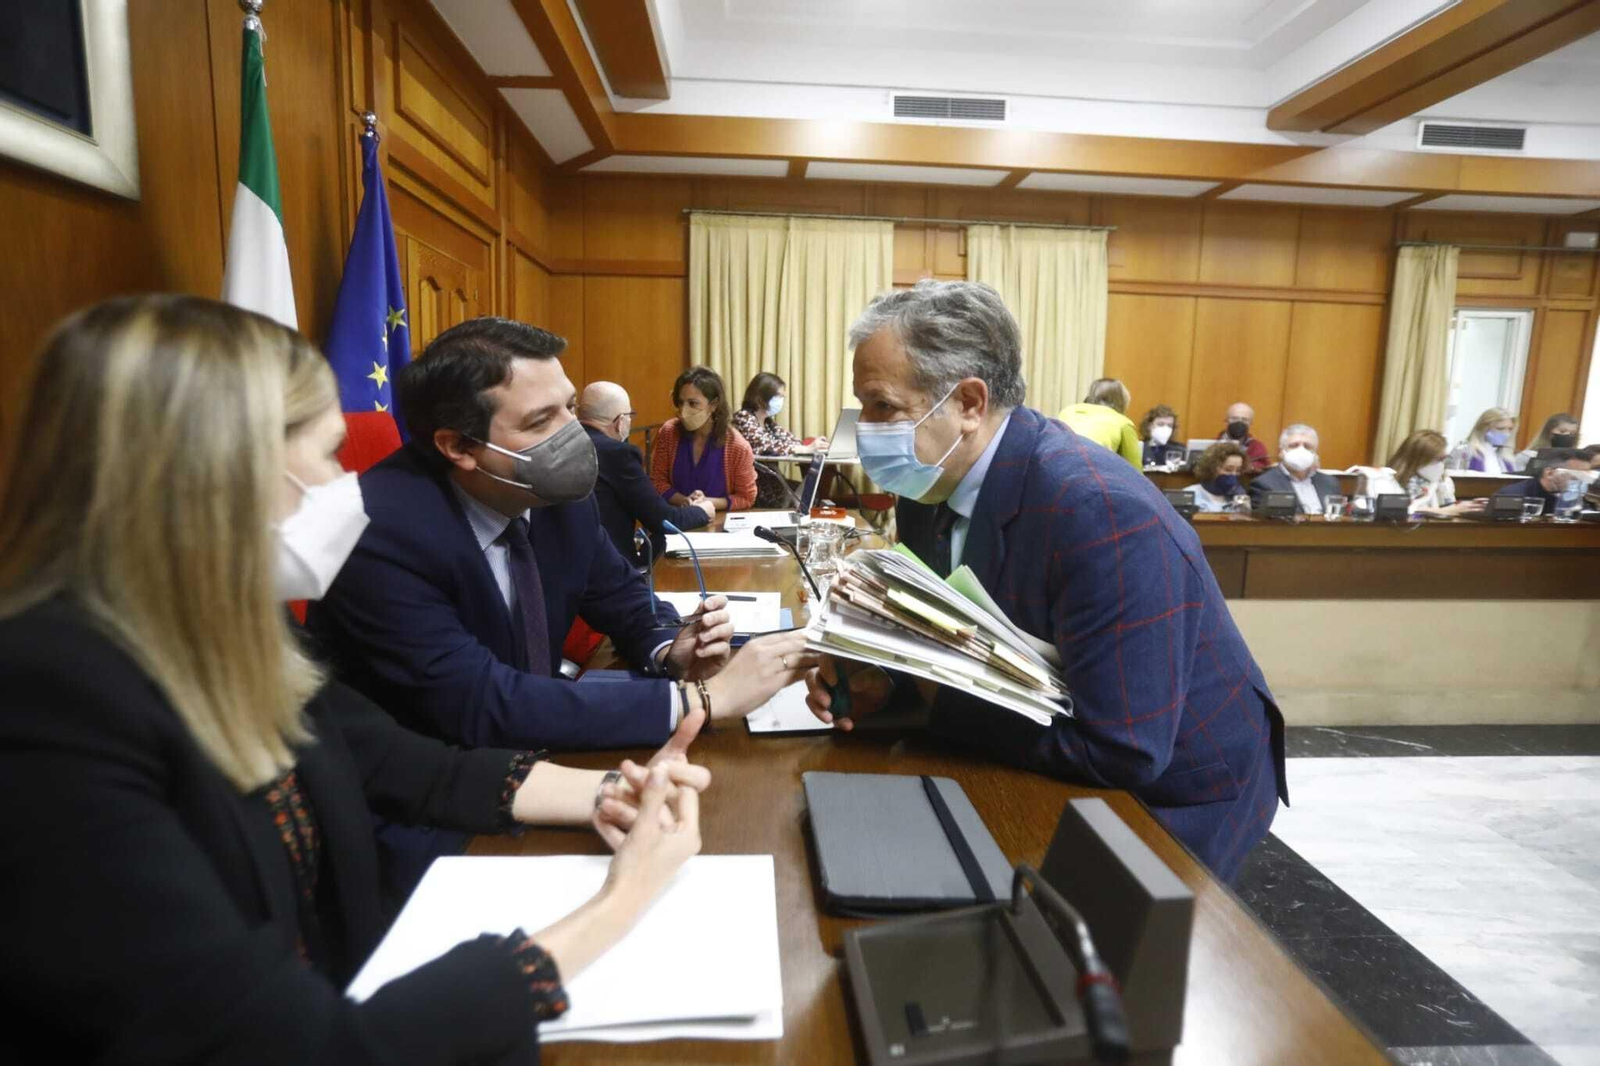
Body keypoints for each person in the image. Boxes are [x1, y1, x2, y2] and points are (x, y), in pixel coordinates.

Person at [0, 295, 711, 1064]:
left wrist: (609, 795)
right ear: (213, 474)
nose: (349, 483)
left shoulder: (226, 631)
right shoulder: (48, 703)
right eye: (332, 454)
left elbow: (396, 761)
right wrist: (621, 904)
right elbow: (307, 1048)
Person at [804, 280, 1286, 883]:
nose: (863, 430)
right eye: (861, 406)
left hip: (1177, 787)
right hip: (1051, 736)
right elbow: (951, 633)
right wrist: (889, 680)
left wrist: (932, 701)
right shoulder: (928, 486)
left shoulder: (1099, 511)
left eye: (883, 407)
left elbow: (1125, 749)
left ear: (970, 404)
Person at [309, 318, 813, 754]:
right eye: (541, 420)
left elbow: (622, 597)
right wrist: (703, 700)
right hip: (432, 794)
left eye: (570, 407)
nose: (573, 433)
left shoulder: (558, 497)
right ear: (459, 445)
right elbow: (480, 701)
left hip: (534, 754)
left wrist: (671, 648)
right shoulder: (376, 534)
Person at [579, 380, 714, 567]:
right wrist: (703, 511)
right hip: (610, 571)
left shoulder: (566, 445)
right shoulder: (618, 454)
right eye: (629, 415)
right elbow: (663, 520)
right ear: (620, 421)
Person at [650, 366, 758, 512]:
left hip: (717, 524)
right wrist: (684, 500)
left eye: (693, 403)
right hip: (675, 518)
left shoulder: (737, 446)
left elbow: (746, 497)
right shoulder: (669, 432)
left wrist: (708, 502)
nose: (683, 411)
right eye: (681, 403)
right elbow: (657, 482)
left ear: (713, 405)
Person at [732, 372, 826, 509]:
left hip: (772, 481)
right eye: (777, 396)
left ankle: (799, 525)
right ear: (759, 397)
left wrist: (815, 445)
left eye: (782, 397)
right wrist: (805, 449)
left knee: (811, 494)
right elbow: (764, 446)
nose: (781, 401)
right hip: (753, 484)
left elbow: (791, 441)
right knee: (801, 497)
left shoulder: (769, 424)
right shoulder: (743, 417)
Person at [1354, 429, 1485, 517]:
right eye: (1438, 459)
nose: (1441, 465)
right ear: (1418, 459)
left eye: (1444, 459)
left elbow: (1449, 506)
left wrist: (1465, 507)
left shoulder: (1443, 482)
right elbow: (1395, 511)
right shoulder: (1385, 479)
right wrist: (1444, 511)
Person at [1248, 424, 1340, 515]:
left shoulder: (1330, 483)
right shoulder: (1264, 484)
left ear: (1315, 453)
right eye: (1294, 446)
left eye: (1307, 446)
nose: (1301, 450)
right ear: (1281, 452)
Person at [1056, 378, 1141, 467]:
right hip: (1091, 469)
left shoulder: (1067, 411)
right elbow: (1135, 468)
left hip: (1055, 465)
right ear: (1122, 401)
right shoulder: (1123, 422)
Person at [1493, 448, 1592, 511]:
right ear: (1549, 473)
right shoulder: (1511, 496)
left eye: (1586, 475)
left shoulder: (1581, 499)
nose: (1582, 480)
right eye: (1576, 475)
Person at [1447, 407, 1518, 473]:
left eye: (1510, 429)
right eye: (1500, 429)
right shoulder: (1463, 450)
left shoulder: (1506, 456)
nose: (1506, 434)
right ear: (1484, 428)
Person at [1184, 441, 1248, 512]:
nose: (1233, 474)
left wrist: (1242, 502)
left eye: (1238, 470)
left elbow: (1244, 521)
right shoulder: (1191, 494)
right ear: (1211, 469)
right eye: (1228, 469)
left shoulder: (1239, 495)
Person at [1513, 412, 1579, 470]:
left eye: (1572, 433)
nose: (1567, 435)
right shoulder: (1528, 455)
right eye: (1562, 431)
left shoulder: (1575, 460)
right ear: (1549, 432)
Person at [1222, 402, 1271, 473]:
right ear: (1226, 420)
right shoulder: (1212, 444)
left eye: (1244, 420)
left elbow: (1264, 470)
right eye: (1234, 418)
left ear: (1250, 423)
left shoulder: (1258, 447)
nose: (1239, 422)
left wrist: (1251, 467)